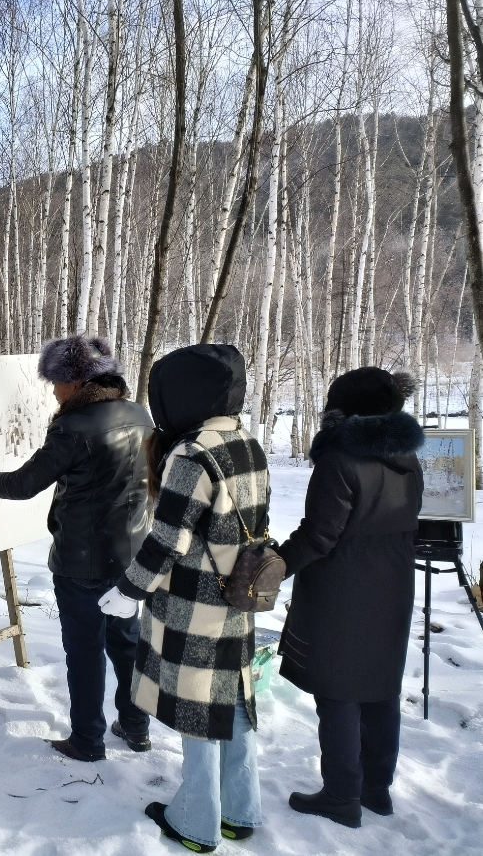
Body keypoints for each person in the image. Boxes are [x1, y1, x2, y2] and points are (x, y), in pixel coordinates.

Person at [100, 344, 269, 853]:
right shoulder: (246, 441)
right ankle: (240, 811)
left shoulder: (192, 454)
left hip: (196, 604)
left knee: (199, 709)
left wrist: (128, 590)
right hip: (237, 595)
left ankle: (196, 822)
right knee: (233, 701)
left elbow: (167, 539)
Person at [0, 336, 153, 761]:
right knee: (126, 642)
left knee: (85, 652)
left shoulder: (74, 426)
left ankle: (87, 741)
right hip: (132, 556)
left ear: (79, 381)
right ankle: (136, 726)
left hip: (82, 561)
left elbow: (25, 484)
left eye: (58, 382)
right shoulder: (140, 415)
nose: (53, 391)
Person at [277, 368, 423, 828]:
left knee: (338, 692)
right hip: (394, 584)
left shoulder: (340, 457)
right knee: (381, 688)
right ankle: (375, 789)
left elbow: (320, 534)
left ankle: (341, 794)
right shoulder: (408, 456)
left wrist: (275, 564)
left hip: (342, 588)